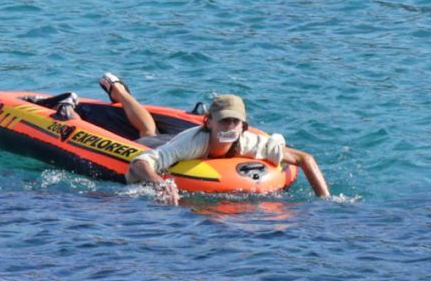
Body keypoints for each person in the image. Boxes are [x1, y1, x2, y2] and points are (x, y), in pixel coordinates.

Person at [99, 73, 331, 206]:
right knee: (148, 135)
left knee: (150, 131)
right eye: (223, 121)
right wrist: (160, 184)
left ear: (243, 126)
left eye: (234, 122)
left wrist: (326, 202)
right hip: (171, 146)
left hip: (203, 157)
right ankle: (119, 92)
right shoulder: (191, 142)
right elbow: (140, 163)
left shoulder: (251, 143)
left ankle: (121, 93)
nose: (229, 127)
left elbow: (305, 159)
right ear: (209, 121)